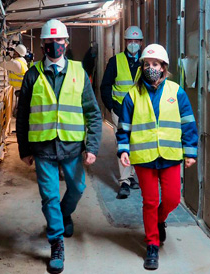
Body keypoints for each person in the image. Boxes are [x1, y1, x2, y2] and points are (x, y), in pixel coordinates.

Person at [16, 19, 102, 274]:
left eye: (60, 41)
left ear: (66, 43)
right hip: (43, 148)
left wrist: (93, 147)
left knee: (77, 188)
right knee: (49, 195)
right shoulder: (32, 75)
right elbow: (22, 116)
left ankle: (65, 215)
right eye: (50, 41)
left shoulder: (78, 73)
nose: (55, 45)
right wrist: (24, 149)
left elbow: (93, 113)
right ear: (43, 44)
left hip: (72, 146)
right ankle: (56, 242)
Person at [116, 44, 198, 270]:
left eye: (155, 64)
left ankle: (160, 220)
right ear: (142, 67)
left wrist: (190, 151)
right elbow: (123, 127)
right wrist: (123, 150)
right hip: (144, 157)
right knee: (150, 201)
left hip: (170, 155)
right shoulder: (133, 95)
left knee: (171, 199)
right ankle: (151, 244)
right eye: (146, 64)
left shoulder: (176, 92)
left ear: (164, 68)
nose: (150, 67)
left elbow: (188, 122)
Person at [100, 25, 143, 199]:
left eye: (136, 41)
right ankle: (124, 181)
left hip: (141, 113)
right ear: (125, 42)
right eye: (130, 41)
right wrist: (111, 107)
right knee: (123, 144)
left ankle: (131, 176)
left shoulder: (146, 62)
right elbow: (105, 86)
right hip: (120, 110)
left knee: (136, 144)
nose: (133, 44)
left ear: (141, 42)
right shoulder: (115, 61)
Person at [2, 43, 28, 117]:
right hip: (23, 89)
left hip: (20, 90)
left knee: (18, 111)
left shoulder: (15, 63)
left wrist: (8, 56)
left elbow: (1, 64)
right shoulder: (22, 61)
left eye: (14, 51)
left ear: (16, 53)